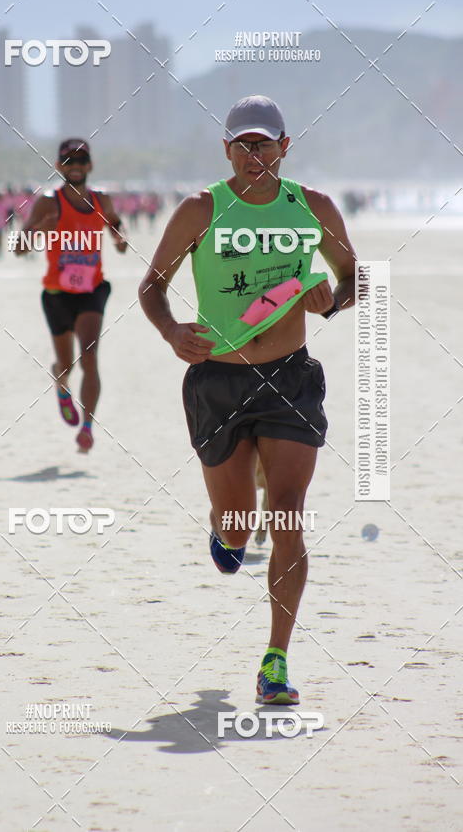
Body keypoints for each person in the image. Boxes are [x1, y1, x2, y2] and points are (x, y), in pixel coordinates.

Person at [139, 95, 357, 705]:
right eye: (243, 144)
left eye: (264, 143)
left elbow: (353, 274)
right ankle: (225, 531)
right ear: (226, 150)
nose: (253, 154)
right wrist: (171, 329)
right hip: (219, 380)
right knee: (237, 526)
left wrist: (332, 299)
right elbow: (152, 285)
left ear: (286, 147)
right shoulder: (200, 209)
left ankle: (275, 660)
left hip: (289, 377)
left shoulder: (313, 208)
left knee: (286, 515)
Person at [16, 139, 127, 452]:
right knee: (67, 366)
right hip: (57, 294)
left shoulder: (101, 200)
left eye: (81, 160)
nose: (75, 165)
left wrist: (120, 240)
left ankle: (87, 427)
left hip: (92, 290)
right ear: (58, 166)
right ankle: (61, 383)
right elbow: (20, 248)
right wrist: (40, 227)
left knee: (90, 358)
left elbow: (120, 235)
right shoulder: (48, 202)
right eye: (68, 160)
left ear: (90, 166)